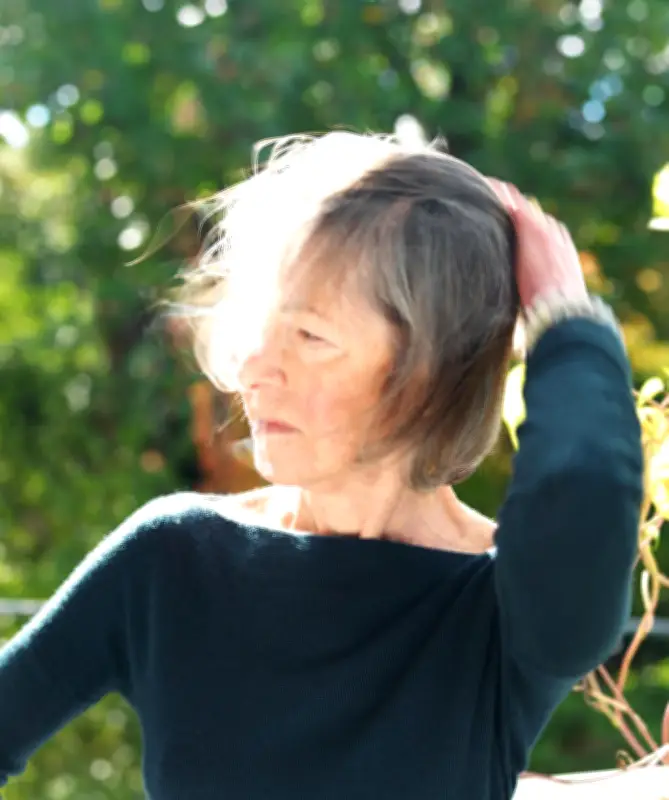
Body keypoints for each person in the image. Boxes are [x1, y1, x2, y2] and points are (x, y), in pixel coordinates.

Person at [0, 132, 643, 799]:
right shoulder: (173, 556)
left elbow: (585, 481)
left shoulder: (502, 614)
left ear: (427, 374)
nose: (252, 368)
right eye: (262, 325)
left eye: (309, 336)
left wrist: (567, 322)